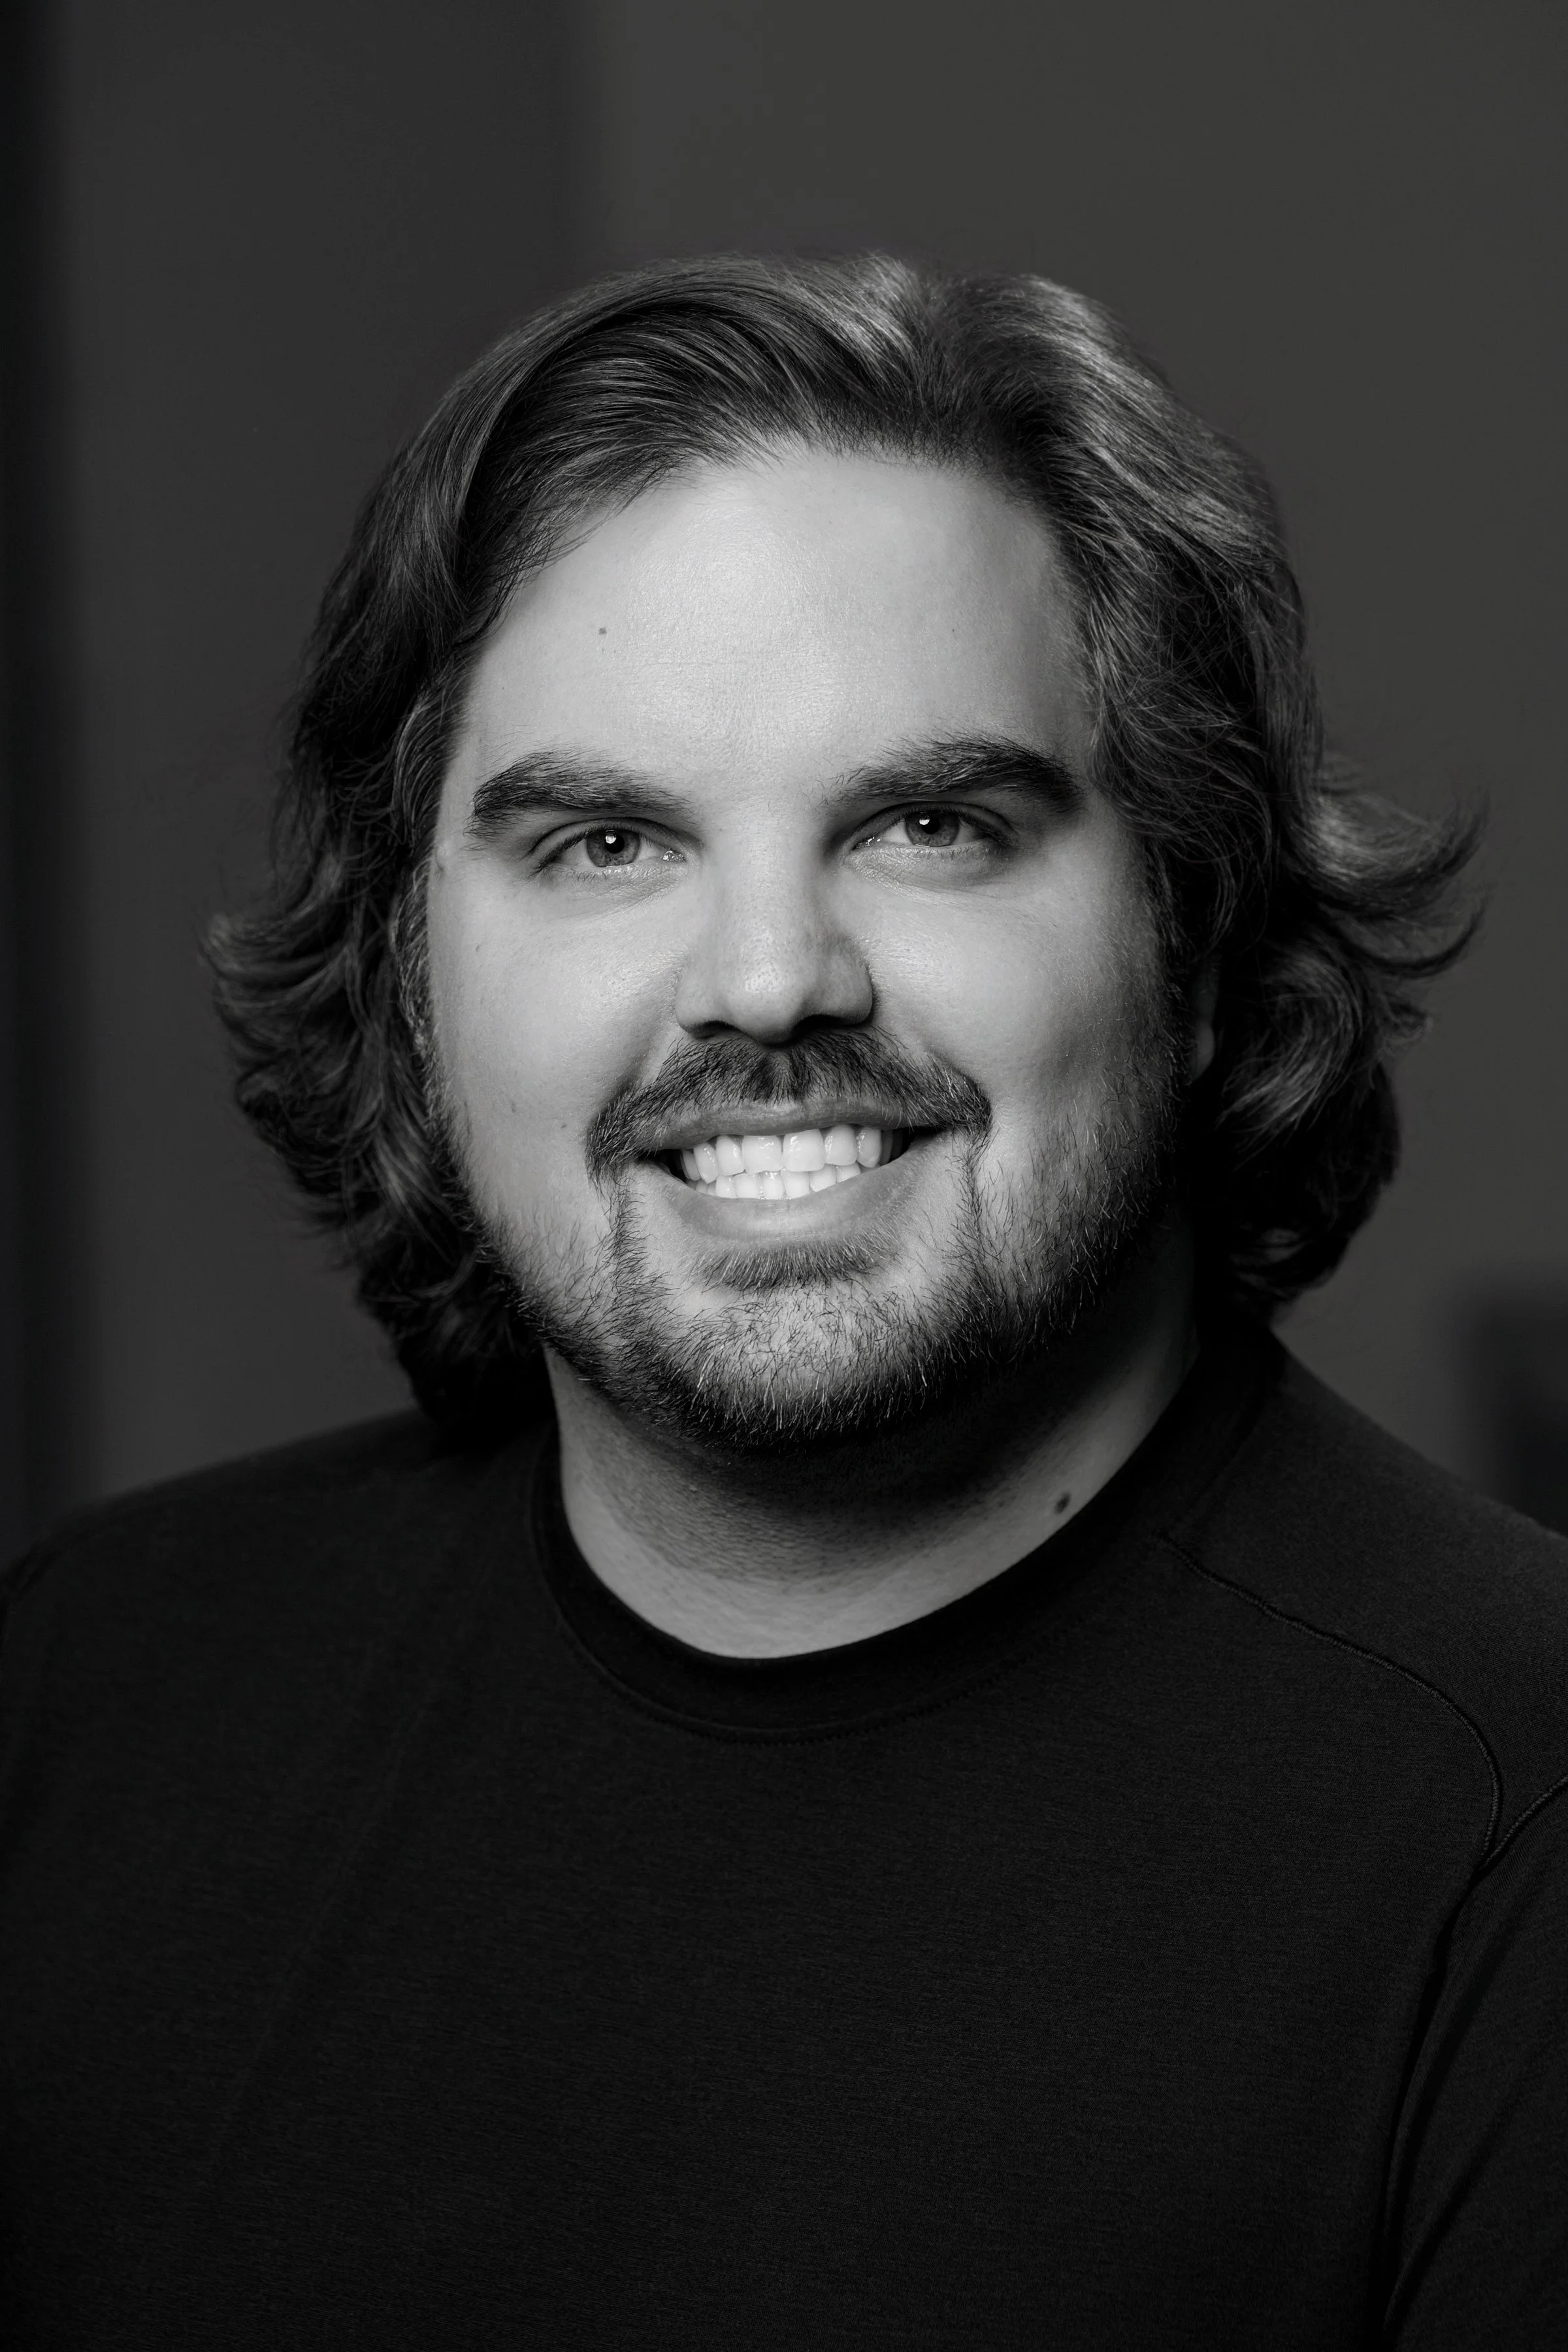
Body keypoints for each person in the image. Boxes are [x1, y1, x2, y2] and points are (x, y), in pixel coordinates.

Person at [1, 253, 1563, 2348]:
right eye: (602, 844)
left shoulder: (1515, 1833)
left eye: (933, 823)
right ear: (410, 979)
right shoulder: (84, 1703)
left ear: (1187, 922)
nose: (764, 978)